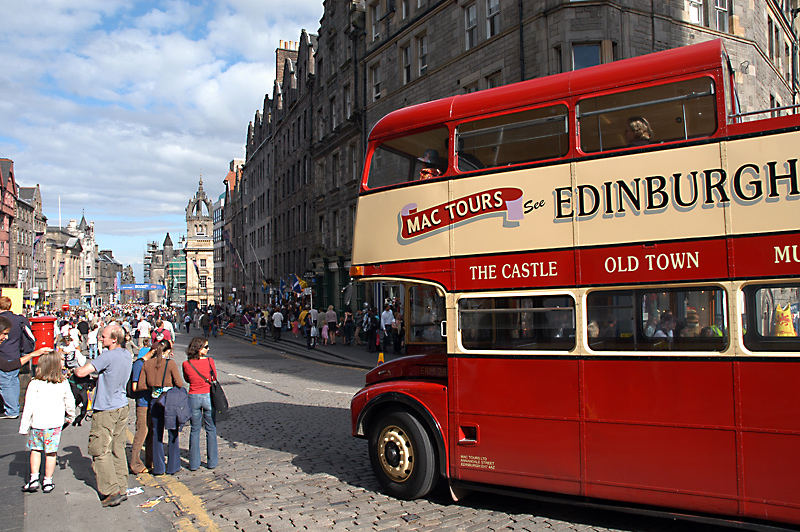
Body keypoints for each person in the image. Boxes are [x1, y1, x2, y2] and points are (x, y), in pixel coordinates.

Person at [73, 324, 133, 507]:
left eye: (104, 336)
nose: (100, 338)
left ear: (114, 339)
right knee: (118, 447)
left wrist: (75, 368)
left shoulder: (107, 356)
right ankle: (122, 487)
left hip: (106, 408)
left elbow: (81, 372)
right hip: (122, 406)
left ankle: (110, 490)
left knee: (100, 449)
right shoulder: (126, 354)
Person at [19, 351, 76, 494]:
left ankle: (33, 478)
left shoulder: (34, 383)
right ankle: (48, 480)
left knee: (36, 450)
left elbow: (28, 406)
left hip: (37, 424)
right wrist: (71, 416)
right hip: (54, 425)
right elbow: (70, 401)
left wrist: (24, 426)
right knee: (51, 453)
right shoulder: (62, 383)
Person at [140, 340, 184, 475]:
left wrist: (155, 387)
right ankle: (173, 466)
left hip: (155, 400)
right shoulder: (170, 364)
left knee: (157, 434)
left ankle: (158, 467)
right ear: (167, 351)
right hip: (169, 400)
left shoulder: (147, 364)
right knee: (172, 433)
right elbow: (179, 383)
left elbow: (142, 384)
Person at [182, 337, 219, 471]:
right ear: (199, 349)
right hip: (208, 396)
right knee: (211, 429)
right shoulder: (210, 362)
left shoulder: (186, 364)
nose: (208, 349)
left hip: (193, 397)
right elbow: (214, 377)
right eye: (206, 347)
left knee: (195, 430)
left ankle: (194, 463)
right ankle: (212, 462)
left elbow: (187, 379)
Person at [0, 296, 36, 420]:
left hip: (3, 355)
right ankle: (13, 406)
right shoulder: (18, 319)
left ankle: (11, 410)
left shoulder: (2, 320)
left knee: (6, 383)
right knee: (13, 381)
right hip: (15, 354)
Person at [129, 341, 154, 474]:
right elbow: (134, 386)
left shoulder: (150, 364)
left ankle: (150, 460)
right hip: (143, 403)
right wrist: (152, 385)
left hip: (151, 402)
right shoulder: (139, 364)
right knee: (142, 432)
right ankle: (135, 463)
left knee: (151, 432)